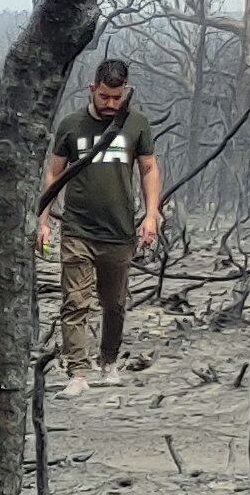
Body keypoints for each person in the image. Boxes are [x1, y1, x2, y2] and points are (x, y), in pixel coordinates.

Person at [36, 58, 159, 389]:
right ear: (92, 89)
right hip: (78, 229)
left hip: (119, 231)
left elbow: (148, 168)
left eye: (116, 98)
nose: (110, 104)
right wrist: (43, 220)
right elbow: (53, 172)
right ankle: (77, 371)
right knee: (75, 302)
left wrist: (151, 215)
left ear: (126, 92)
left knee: (114, 304)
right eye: (104, 96)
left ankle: (109, 361)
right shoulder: (71, 125)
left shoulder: (137, 124)